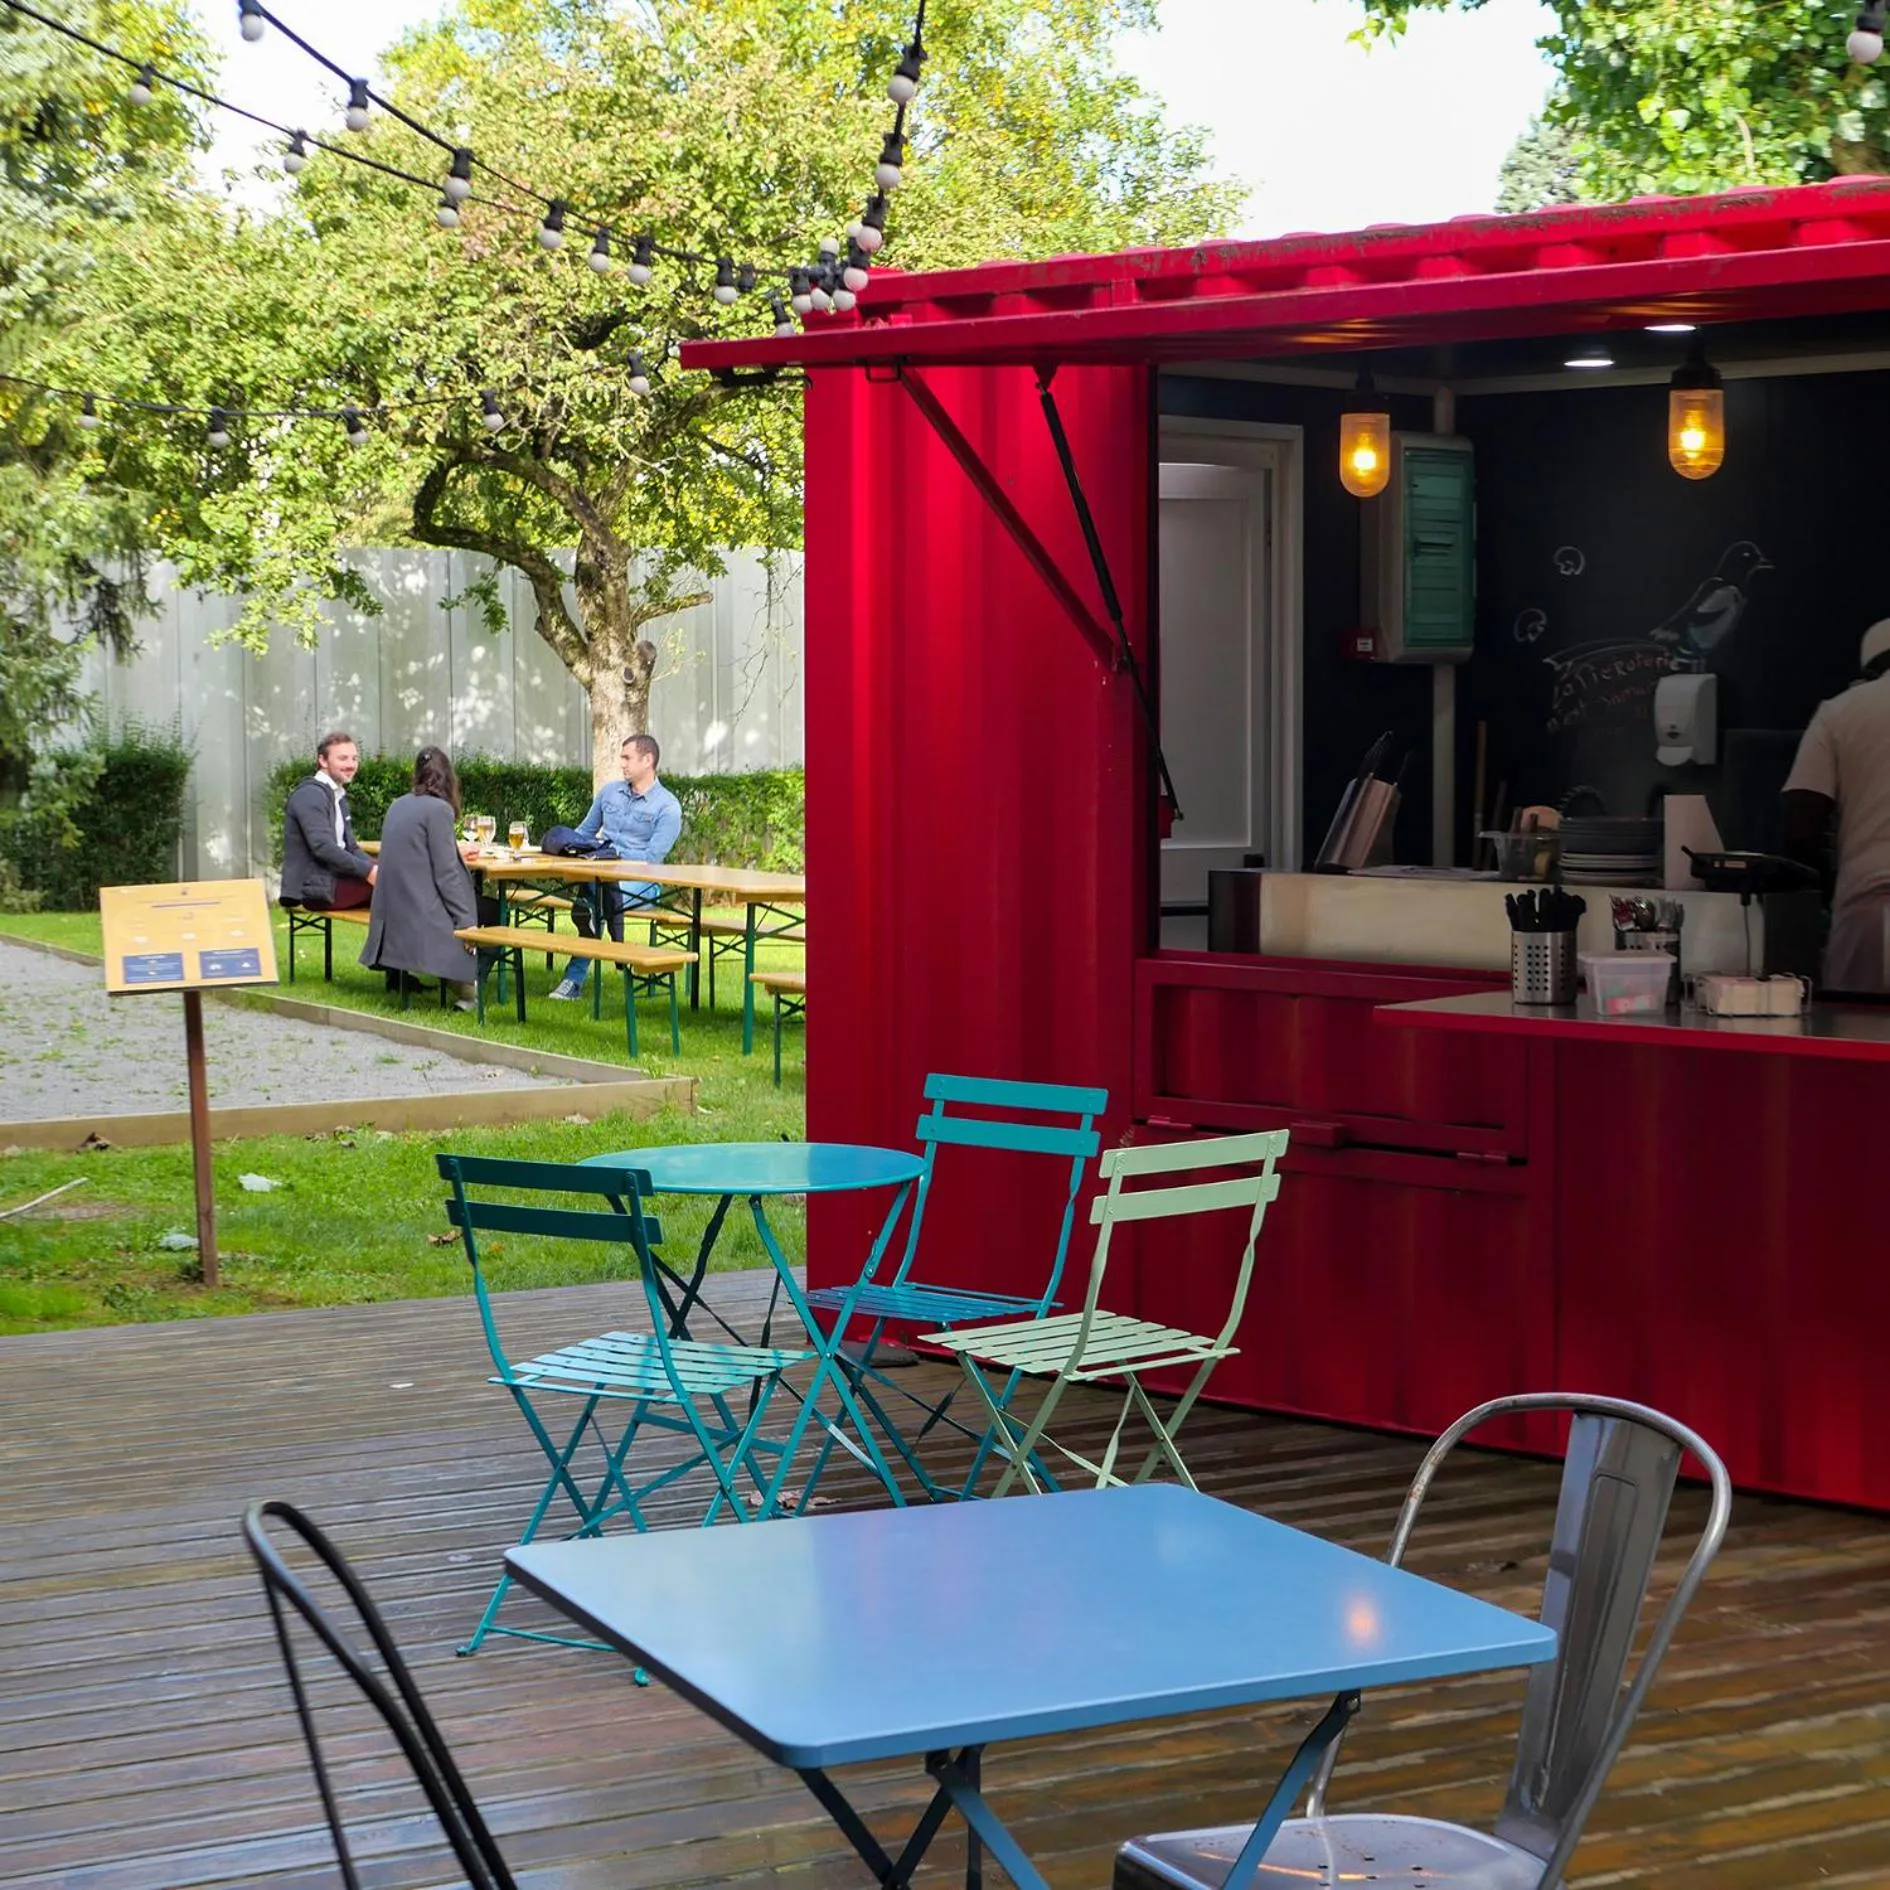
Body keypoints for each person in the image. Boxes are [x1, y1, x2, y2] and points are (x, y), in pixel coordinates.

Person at [1783, 618, 1890, 993]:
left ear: (1871, 668)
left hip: (1869, 906)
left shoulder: (1840, 711)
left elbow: (1801, 824)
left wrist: (1824, 892)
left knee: (1857, 1035)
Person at [548, 733, 683, 1000]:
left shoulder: (668, 807)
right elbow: (584, 833)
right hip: (600, 876)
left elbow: (651, 859)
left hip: (642, 882)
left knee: (595, 898)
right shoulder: (610, 792)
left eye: (627, 757)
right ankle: (611, 942)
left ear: (648, 760)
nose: (622, 764)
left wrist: (612, 855)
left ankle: (573, 980)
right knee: (595, 892)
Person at [360, 746, 491, 1009]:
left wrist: (455, 850)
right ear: (449, 778)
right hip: (421, 914)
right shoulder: (439, 810)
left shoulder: (398, 805)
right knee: (494, 913)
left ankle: (459, 980)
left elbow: (417, 854)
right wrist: (466, 923)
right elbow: (446, 875)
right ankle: (469, 989)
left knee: (482, 909)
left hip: (394, 913)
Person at [280, 732, 377, 910]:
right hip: (314, 889)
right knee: (398, 884)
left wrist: (373, 867)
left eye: (354, 758)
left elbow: (351, 847)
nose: (351, 765)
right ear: (323, 761)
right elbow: (323, 847)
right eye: (343, 758)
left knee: (398, 871)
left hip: (334, 879)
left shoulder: (337, 795)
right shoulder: (310, 795)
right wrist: (369, 872)